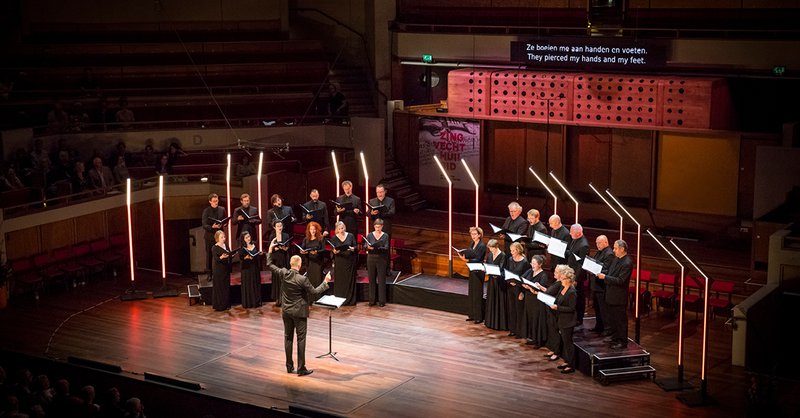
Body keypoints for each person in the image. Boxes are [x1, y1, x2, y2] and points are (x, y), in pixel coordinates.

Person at [266, 240, 332, 376]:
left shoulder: (284, 273)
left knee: (288, 338)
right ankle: (301, 368)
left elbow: (270, 264)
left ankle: (289, 367)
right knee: (301, 339)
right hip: (299, 312)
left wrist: (270, 250)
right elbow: (314, 292)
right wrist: (325, 282)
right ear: (299, 265)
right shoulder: (303, 279)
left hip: (286, 311)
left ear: (291, 265)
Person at [597, 239, 633, 349]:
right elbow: (610, 272)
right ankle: (615, 337)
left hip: (618, 297)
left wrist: (605, 277)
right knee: (612, 319)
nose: (613, 250)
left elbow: (621, 280)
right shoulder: (617, 259)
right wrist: (602, 273)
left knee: (620, 321)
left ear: (622, 249)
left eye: (616, 248)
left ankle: (622, 341)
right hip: (611, 295)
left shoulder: (627, 262)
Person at [521, 255, 553, 348]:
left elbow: (542, 289)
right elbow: (522, 278)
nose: (532, 265)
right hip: (529, 299)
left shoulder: (543, 275)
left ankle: (539, 341)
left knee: (537, 320)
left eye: (534, 264)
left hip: (537, 301)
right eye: (532, 263)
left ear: (540, 264)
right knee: (531, 318)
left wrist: (533, 290)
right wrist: (525, 286)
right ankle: (533, 338)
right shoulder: (530, 271)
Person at [550, 266, 578, 374]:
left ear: (568, 279)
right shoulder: (562, 288)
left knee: (568, 343)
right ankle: (567, 361)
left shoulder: (572, 292)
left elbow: (572, 308)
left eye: (562, 278)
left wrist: (558, 308)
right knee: (565, 343)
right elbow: (558, 299)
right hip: (561, 319)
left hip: (568, 321)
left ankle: (571, 365)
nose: (560, 280)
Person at [458, 226, 486, 323]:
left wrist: (467, 260)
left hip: (478, 270)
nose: (472, 236)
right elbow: (470, 253)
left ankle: (479, 317)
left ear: (479, 235)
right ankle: (472, 314)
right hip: (472, 269)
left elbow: (478, 258)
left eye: (474, 234)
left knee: (478, 293)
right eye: (471, 234)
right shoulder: (472, 243)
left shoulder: (482, 245)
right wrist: (463, 254)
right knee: (472, 292)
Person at [565, 223, 590, 328]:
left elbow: (582, 264)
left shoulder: (584, 245)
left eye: (571, 231)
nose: (570, 233)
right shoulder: (575, 240)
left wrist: (576, 278)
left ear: (578, 233)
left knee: (579, 297)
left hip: (577, 276)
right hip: (572, 273)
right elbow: (572, 254)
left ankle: (579, 319)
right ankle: (574, 317)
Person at [590, 235, 614, 334]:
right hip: (596, 285)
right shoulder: (600, 252)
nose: (597, 245)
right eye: (596, 243)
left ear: (606, 242)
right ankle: (599, 326)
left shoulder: (609, 254)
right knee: (597, 308)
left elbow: (606, 269)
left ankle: (607, 329)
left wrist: (594, 269)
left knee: (604, 310)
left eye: (599, 243)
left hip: (602, 286)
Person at [330, 221, 357, 305]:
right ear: (336, 229)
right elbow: (333, 250)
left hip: (349, 261)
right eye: (339, 229)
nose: (341, 230)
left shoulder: (350, 236)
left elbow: (355, 246)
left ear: (344, 227)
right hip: (339, 261)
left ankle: (349, 299)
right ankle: (339, 299)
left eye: (342, 228)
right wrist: (334, 251)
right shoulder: (334, 238)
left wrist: (353, 248)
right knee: (340, 280)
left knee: (348, 280)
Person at [504, 241, 528, 338]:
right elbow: (507, 271)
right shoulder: (510, 259)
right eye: (511, 250)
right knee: (512, 309)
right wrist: (509, 281)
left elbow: (525, 277)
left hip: (519, 289)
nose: (511, 252)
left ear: (518, 250)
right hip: (510, 287)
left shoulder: (524, 262)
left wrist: (522, 291)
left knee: (519, 310)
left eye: (513, 250)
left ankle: (519, 331)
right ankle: (512, 329)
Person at [483, 239, 507, 331]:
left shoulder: (503, 255)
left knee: (498, 300)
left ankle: (498, 324)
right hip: (491, 280)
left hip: (499, 281)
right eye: (489, 248)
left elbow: (501, 268)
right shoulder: (490, 255)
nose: (490, 250)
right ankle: (490, 322)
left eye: (491, 248)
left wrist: (495, 272)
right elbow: (488, 264)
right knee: (491, 299)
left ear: (496, 247)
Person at [365, 219, 390, 306]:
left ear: (382, 226)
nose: (377, 229)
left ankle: (381, 301)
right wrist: (368, 247)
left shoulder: (385, 236)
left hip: (381, 259)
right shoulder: (370, 235)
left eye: (379, 227)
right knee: (371, 279)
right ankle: (372, 300)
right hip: (371, 258)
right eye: (376, 227)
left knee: (381, 280)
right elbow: (365, 246)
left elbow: (386, 247)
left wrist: (379, 247)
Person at [267, 219, 292, 306]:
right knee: (277, 278)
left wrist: (285, 248)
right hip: (276, 259)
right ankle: (278, 298)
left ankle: (285, 298)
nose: (279, 228)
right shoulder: (272, 236)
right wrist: (275, 248)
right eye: (278, 226)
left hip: (284, 257)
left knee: (285, 279)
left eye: (281, 226)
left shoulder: (286, 235)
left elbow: (288, 246)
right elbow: (270, 248)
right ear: (274, 227)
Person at [201, 193, 226, 272]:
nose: (216, 202)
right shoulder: (206, 211)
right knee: (209, 255)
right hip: (210, 236)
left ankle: (221, 271)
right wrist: (212, 227)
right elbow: (204, 225)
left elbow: (225, 220)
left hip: (220, 237)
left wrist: (225, 223)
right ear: (210, 201)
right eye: (214, 201)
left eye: (217, 200)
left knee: (222, 254)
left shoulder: (222, 209)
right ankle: (209, 273)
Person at [211, 230, 233, 311]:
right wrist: (221, 257)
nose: (224, 238)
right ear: (217, 238)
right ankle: (219, 305)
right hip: (218, 269)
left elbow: (229, 254)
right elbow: (216, 258)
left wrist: (231, 255)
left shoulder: (226, 245)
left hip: (225, 268)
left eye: (224, 237)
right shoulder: (214, 247)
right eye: (222, 237)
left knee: (226, 286)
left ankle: (226, 303)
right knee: (219, 286)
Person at [239, 231, 262, 309]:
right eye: (246, 238)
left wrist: (259, 254)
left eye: (249, 237)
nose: (248, 239)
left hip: (254, 268)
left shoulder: (254, 244)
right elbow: (241, 259)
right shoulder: (242, 248)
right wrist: (246, 258)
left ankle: (256, 301)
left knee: (255, 283)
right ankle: (249, 302)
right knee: (248, 284)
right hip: (247, 269)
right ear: (243, 239)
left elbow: (257, 255)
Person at [299, 221, 326, 287]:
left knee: (318, 279)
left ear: (317, 230)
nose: (313, 231)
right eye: (311, 229)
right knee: (310, 280)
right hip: (309, 262)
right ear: (308, 230)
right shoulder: (306, 239)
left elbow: (323, 250)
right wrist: (302, 251)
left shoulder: (321, 238)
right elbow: (302, 248)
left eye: (314, 229)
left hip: (318, 262)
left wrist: (317, 252)